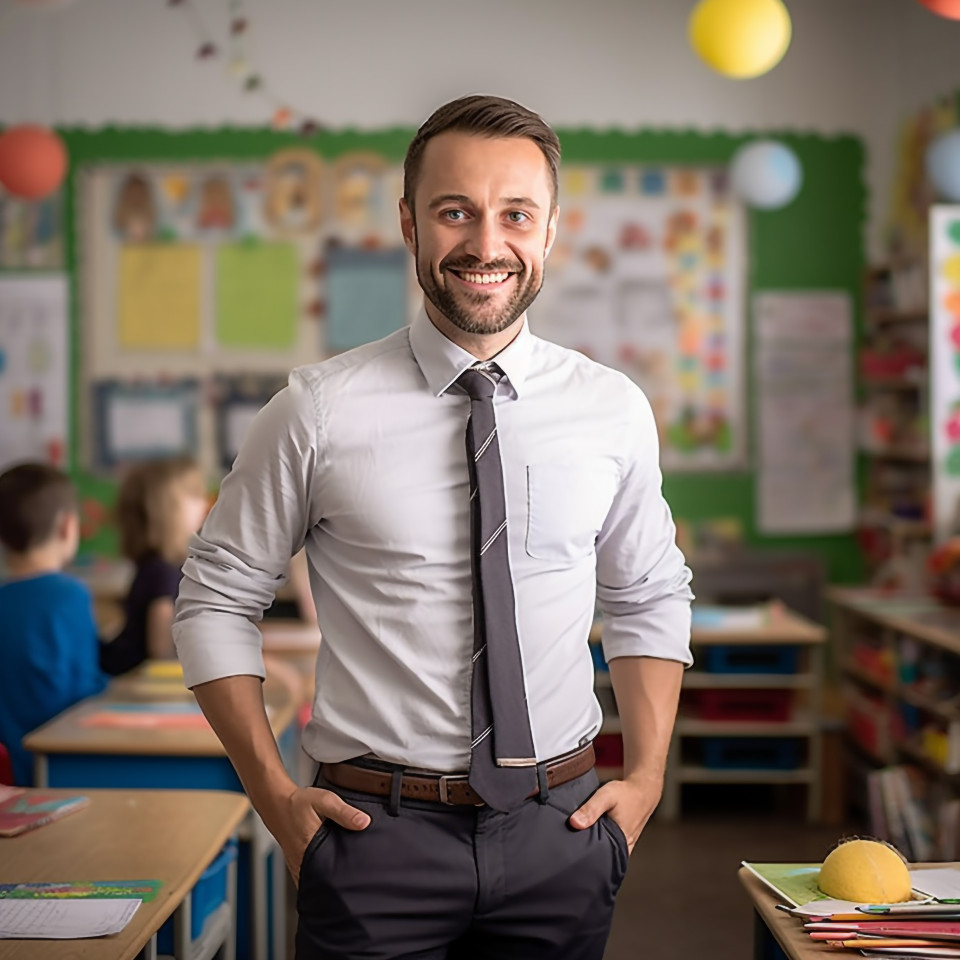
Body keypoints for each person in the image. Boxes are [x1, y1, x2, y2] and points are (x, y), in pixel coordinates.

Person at [174, 95, 694, 960]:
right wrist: (273, 798)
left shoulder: (612, 411)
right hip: (372, 836)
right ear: (411, 224)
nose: (487, 245)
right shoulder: (314, 411)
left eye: (515, 214)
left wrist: (645, 779)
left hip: (560, 832)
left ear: (551, 229)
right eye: (456, 212)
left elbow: (647, 592)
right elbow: (214, 600)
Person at [0, 463, 107, 785]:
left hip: (10, 770)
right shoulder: (70, 595)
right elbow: (85, 687)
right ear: (67, 527)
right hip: (66, 762)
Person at [101, 455, 208, 675]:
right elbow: (161, 651)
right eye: (194, 495)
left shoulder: (159, 565)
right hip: (127, 680)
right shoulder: (163, 572)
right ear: (167, 510)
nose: (204, 503)